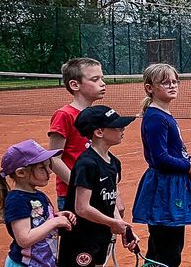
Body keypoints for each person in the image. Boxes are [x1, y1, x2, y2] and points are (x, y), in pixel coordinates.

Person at [131, 63, 191, 267]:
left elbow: (170, 154)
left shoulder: (162, 115)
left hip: (170, 185)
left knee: (163, 247)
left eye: (175, 82)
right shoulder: (156, 118)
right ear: (150, 88)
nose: (172, 86)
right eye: (165, 82)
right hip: (164, 189)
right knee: (168, 251)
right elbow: (159, 158)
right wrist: (187, 167)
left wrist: (189, 160)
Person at [59, 106, 139, 267]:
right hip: (81, 239)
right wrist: (112, 223)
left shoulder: (114, 163)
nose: (122, 129)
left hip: (101, 235)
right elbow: (81, 208)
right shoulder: (87, 164)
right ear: (99, 132)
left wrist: (121, 225)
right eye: (117, 126)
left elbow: (110, 200)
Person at [0, 140, 76, 267]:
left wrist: (56, 217)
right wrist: (54, 222)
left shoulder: (38, 195)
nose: (49, 171)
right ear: (21, 172)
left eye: (48, 166)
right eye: (42, 167)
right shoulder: (17, 200)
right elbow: (24, 239)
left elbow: (37, 222)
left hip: (42, 262)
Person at [49, 58, 105, 211]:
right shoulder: (64, 115)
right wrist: (78, 184)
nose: (102, 83)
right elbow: (54, 158)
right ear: (75, 85)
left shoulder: (96, 115)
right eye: (95, 79)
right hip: (72, 193)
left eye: (102, 78)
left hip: (97, 190)